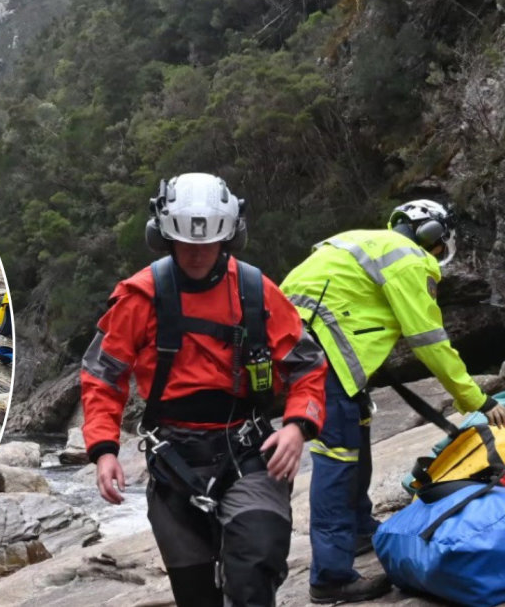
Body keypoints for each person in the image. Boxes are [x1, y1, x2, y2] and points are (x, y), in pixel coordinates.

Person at [80, 173, 327, 607]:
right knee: (196, 596)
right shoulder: (139, 296)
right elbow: (103, 376)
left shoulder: (257, 292)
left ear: (229, 237)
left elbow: (307, 364)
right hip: (174, 458)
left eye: (208, 243)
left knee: (254, 567)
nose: (196, 255)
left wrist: (296, 426)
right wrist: (104, 449)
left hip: (248, 451)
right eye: (186, 243)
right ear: (163, 236)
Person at [280, 199, 505, 603]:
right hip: (323, 356)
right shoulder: (409, 258)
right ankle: (330, 578)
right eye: (439, 244)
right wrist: (475, 399)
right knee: (337, 460)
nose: (438, 252)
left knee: (354, 440)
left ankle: (357, 531)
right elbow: (429, 340)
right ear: (432, 236)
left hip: (299, 347)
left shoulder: (359, 239)